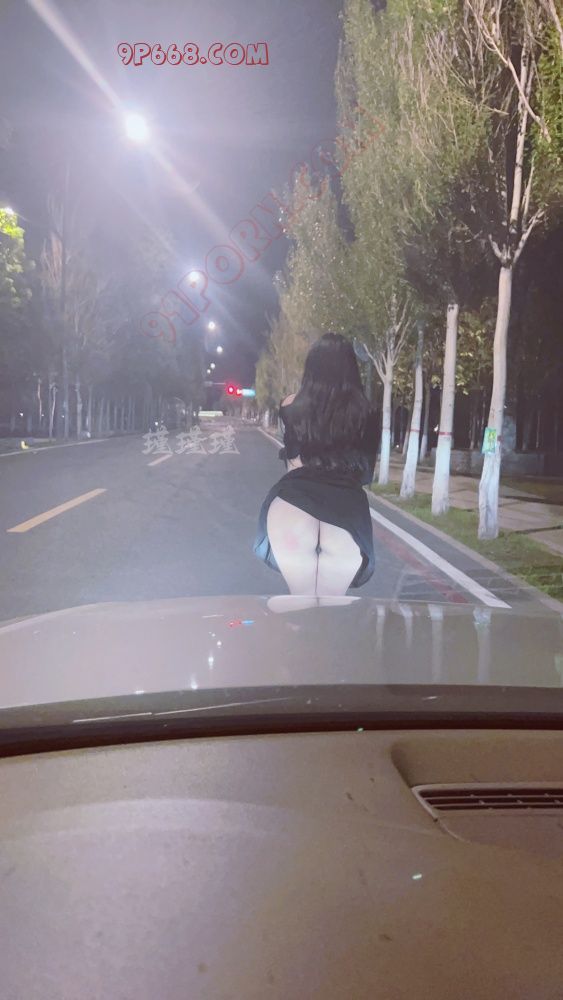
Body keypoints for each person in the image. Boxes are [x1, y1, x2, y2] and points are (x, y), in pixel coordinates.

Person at [253, 332, 379, 596]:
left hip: (292, 503)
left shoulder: (290, 404)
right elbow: (366, 474)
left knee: (300, 602)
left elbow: (292, 463)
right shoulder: (367, 412)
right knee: (330, 609)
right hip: (346, 510)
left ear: (311, 367)